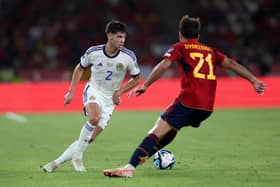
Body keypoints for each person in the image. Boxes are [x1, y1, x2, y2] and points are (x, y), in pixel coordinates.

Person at [103, 15, 265, 178]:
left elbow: (164, 64)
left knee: (158, 129)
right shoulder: (211, 51)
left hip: (189, 101)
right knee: (172, 129)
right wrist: (254, 80)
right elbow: (232, 64)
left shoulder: (180, 47)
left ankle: (129, 167)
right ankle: (142, 158)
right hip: (207, 108)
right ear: (198, 36)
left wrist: (145, 85)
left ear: (180, 34)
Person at [41, 20, 140, 172]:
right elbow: (79, 69)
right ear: (109, 36)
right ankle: (78, 157)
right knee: (94, 118)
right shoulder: (94, 52)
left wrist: (119, 92)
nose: (122, 41)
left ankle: (56, 163)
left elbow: (137, 78)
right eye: (119, 37)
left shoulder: (128, 56)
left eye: (124, 37)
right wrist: (71, 91)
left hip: (110, 98)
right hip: (94, 89)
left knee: (90, 138)